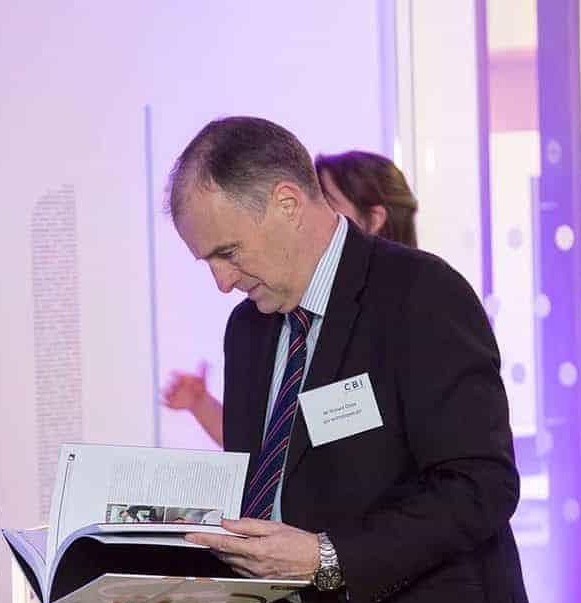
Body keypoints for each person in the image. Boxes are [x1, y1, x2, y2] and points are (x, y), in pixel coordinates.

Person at [116, 116, 567, 603]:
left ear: (287, 203)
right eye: (208, 262)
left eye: (228, 252)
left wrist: (327, 556)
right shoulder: (249, 332)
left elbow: (479, 485)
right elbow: (259, 507)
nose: (222, 280)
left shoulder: (419, 295)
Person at [163, 149, 418, 445]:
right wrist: (201, 404)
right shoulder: (261, 321)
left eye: (327, 203)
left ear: (374, 219)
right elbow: (273, 448)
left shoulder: (417, 308)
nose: (223, 282)